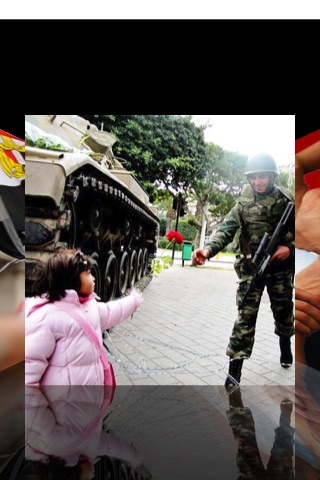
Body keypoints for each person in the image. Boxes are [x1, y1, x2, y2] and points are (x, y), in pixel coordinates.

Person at [192, 153, 295, 388]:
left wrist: (289, 248)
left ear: (272, 177)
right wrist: (207, 250)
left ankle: (285, 344)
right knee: (245, 317)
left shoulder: (286, 200)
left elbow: (307, 231)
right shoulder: (243, 204)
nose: (259, 182)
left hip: (280, 269)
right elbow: (225, 230)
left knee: (284, 311)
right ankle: (234, 371)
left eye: (263, 177)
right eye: (254, 178)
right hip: (252, 268)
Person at [25, 249, 143, 386]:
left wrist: (134, 301)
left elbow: (112, 311)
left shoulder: (88, 307)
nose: (93, 278)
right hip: (61, 404)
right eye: (88, 273)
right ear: (71, 278)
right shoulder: (45, 319)